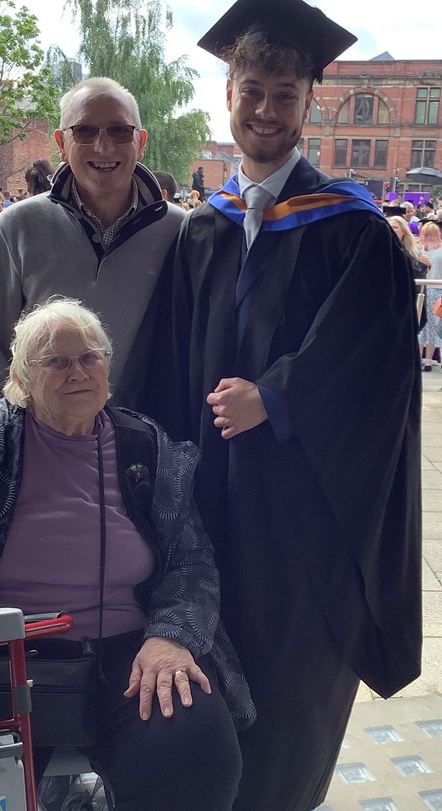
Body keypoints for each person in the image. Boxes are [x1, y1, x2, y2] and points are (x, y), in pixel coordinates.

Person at [136, 1, 422, 809]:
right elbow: (165, 368)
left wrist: (279, 394)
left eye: (284, 93)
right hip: (208, 517)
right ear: (227, 89)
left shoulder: (355, 231)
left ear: (310, 100)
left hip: (305, 522)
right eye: (251, 89)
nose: (265, 110)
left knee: (291, 714)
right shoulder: (202, 230)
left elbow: (378, 366)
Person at [0, 299, 253, 811]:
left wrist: (171, 637)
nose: (78, 372)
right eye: (56, 362)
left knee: (195, 753)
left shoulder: (143, 446)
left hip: (130, 652)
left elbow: (190, 559)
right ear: (21, 375)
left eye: (89, 357)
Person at [0, 76, 185, 409]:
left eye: (119, 131)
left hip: (144, 437)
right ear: (61, 142)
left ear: (140, 142)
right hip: (44, 436)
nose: (103, 147)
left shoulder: (178, 230)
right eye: (84, 131)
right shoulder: (19, 225)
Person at [417, 221, 442, 370]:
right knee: (433, 325)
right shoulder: (441, 251)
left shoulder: (419, 250)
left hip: (421, 288)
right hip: (438, 289)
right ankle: (428, 360)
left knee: (420, 323)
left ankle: (418, 357)